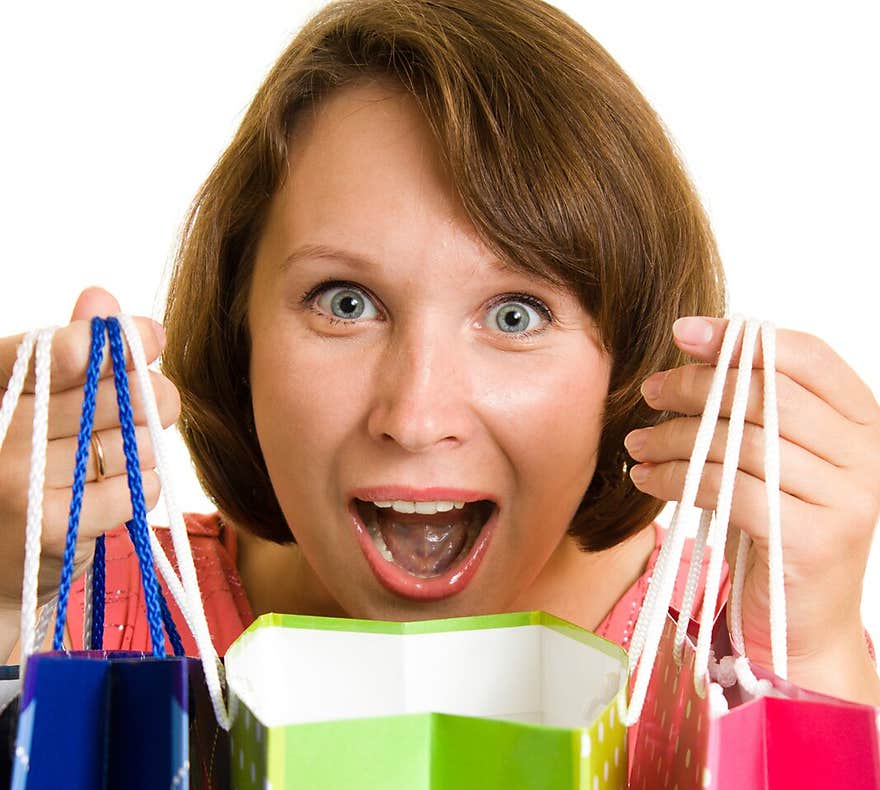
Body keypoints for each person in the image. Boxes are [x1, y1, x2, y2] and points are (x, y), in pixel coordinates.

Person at [1, 0, 878, 704]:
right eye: (346, 304)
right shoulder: (93, 614)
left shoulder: (728, 650)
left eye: (515, 315)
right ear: (240, 334)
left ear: (631, 356)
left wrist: (822, 654)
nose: (417, 418)